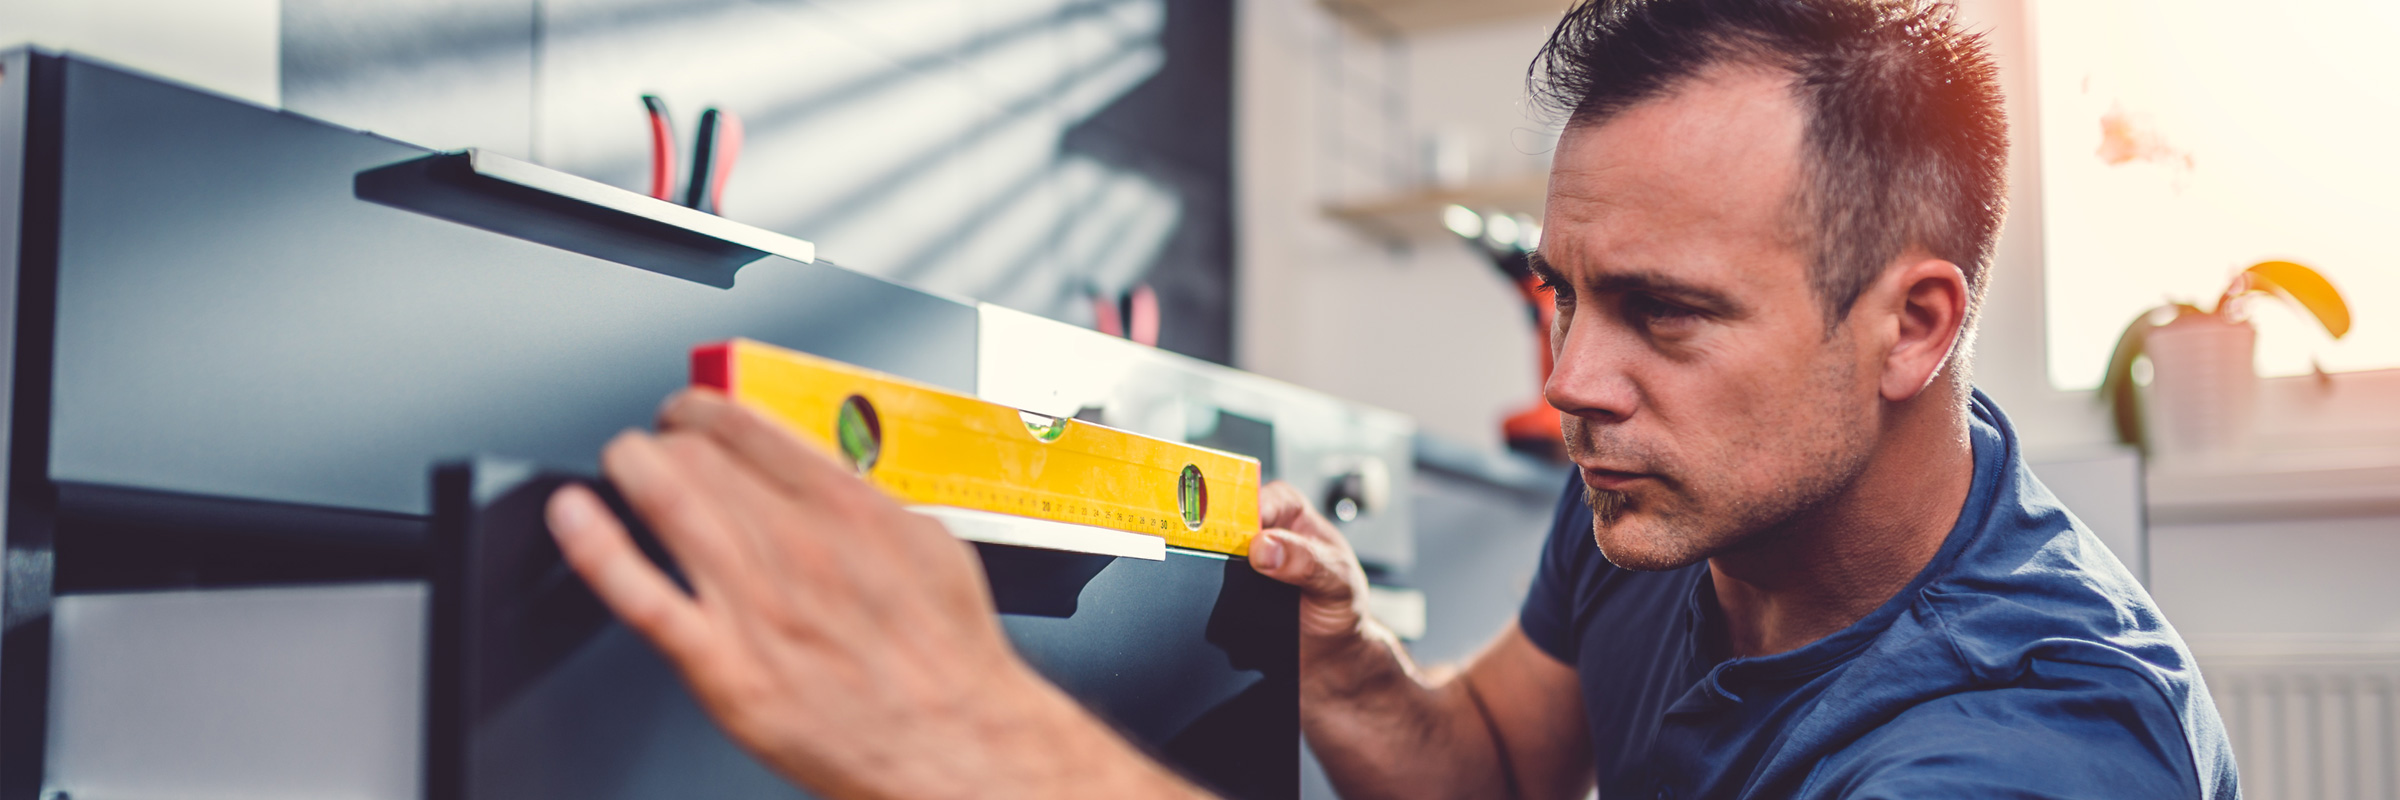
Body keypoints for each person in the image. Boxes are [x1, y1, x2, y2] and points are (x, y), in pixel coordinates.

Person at [540, 0, 2241, 796]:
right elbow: (1499, 766)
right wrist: (1355, 674)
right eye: (1566, 294)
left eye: (1664, 314)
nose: (1572, 382)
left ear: (1914, 324)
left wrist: (978, 743)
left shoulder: (2028, 746)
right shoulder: (1682, 514)